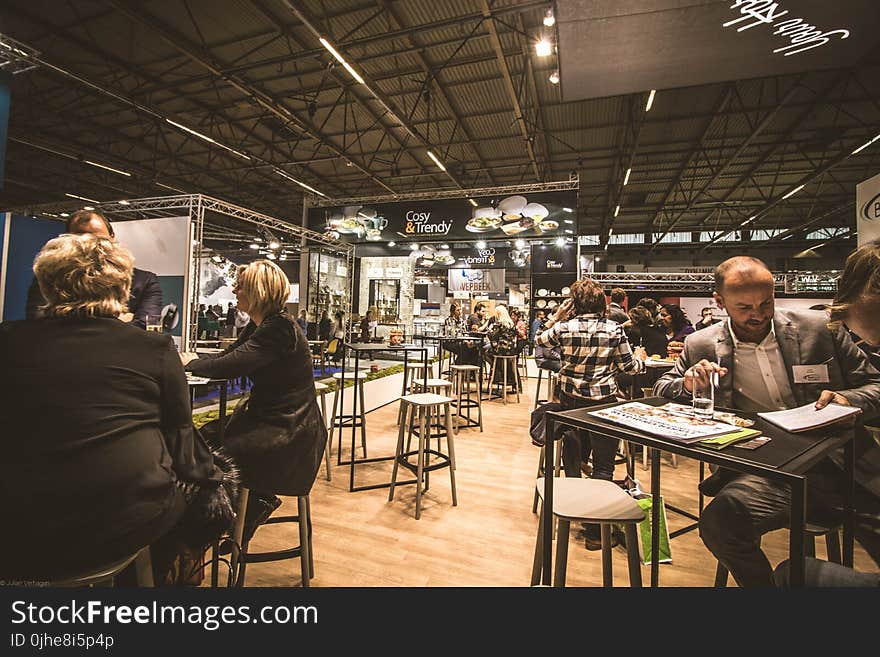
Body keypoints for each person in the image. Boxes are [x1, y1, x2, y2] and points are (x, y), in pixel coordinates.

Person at [1, 234, 235, 583]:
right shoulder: (155, 348)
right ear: (123, 288)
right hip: (122, 521)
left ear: (46, 286)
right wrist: (213, 481)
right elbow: (182, 442)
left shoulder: (7, 340)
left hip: (16, 523)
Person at [653, 255, 880, 587]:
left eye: (766, 303)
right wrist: (688, 383)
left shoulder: (820, 328)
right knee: (720, 525)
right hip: (768, 474)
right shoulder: (700, 343)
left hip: (844, 466)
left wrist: (848, 399)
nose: (757, 314)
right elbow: (662, 388)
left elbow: (874, 384)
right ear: (719, 302)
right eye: (744, 307)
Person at [180, 260, 326, 545]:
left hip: (288, 435)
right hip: (277, 425)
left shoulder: (278, 328)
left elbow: (229, 366)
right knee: (200, 441)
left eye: (241, 286)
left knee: (201, 451)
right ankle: (240, 511)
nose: (234, 290)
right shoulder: (265, 325)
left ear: (256, 291)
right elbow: (228, 358)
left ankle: (224, 521)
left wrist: (190, 363)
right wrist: (193, 362)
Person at [536, 278, 646, 548]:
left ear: (574, 302)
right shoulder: (614, 330)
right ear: (601, 303)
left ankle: (573, 508)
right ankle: (596, 533)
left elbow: (540, 341)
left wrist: (557, 316)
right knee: (604, 465)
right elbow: (629, 367)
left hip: (569, 403)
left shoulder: (565, 327)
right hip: (601, 405)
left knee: (573, 457)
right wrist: (642, 361)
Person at [25, 209, 163, 330]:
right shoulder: (49, 276)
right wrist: (119, 320)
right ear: (65, 240)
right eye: (80, 238)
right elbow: (37, 322)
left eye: (98, 239)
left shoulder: (144, 280)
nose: (90, 245)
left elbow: (145, 327)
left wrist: (65, 316)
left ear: (112, 237)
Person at [484, 305, 519, 388]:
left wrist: (489, 332)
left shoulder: (499, 324)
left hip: (501, 350)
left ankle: (497, 370)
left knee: (484, 352)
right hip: (512, 350)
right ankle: (501, 371)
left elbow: (493, 338)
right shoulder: (511, 324)